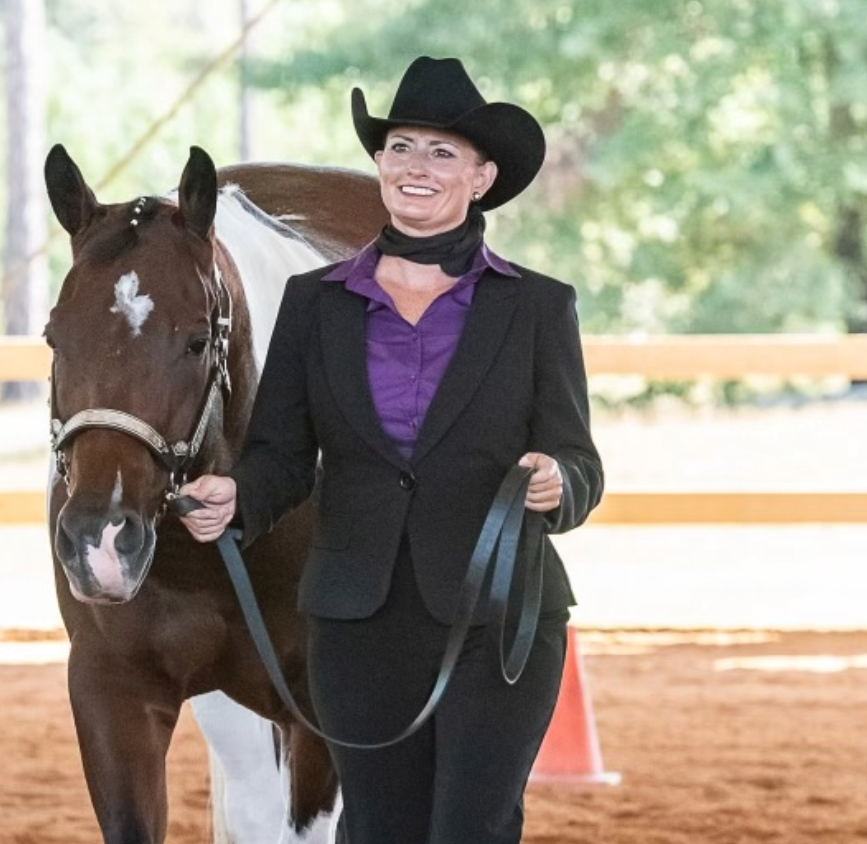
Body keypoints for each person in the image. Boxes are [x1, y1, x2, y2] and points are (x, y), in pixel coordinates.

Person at [177, 56, 602, 844]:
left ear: (481, 177)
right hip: (353, 619)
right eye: (402, 147)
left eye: (442, 153)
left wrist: (558, 482)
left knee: (471, 827)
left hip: (499, 620)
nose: (417, 167)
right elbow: (278, 455)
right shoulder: (317, 304)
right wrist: (239, 496)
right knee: (375, 827)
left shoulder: (540, 308)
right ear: (379, 163)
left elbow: (579, 459)